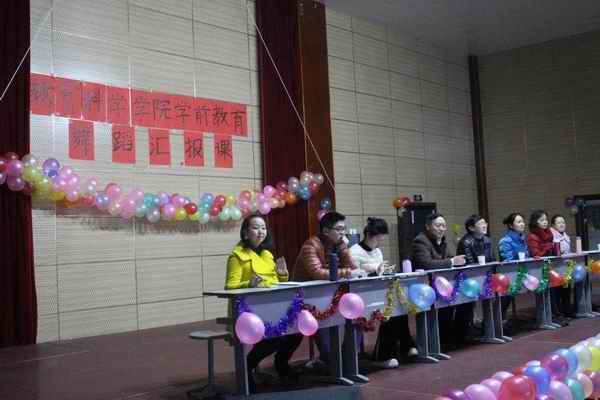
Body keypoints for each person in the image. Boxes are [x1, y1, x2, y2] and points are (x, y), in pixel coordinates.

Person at [225, 214, 303, 392]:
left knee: (296, 333)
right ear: (245, 233)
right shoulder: (237, 256)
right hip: (248, 311)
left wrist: (282, 274)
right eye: (255, 228)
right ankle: (247, 367)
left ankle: (281, 364)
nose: (261, 231)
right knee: (274, 336)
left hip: (272, 306)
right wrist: (248, 284)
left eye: (263, 228)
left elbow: (275, 283)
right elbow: (230, 286)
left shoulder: (267, 255)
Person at [293, 211, 360, 368]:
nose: (343, 233)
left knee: (357, 316)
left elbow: (352, 268)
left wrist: (343, 247)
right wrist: (347, 272)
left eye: (344, 229)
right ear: (326, 231)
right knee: (323, 321)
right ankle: (331, 361)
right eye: (339, 229)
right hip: (308, 297)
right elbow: (317, 273)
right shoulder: (311, 245)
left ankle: (348, 359)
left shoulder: (338, 245)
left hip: (330, 293)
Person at [350, 217, 417, 368]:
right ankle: (383, 355)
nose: (380, 242)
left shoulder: (377, 251)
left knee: (400, 309)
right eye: (378, 238)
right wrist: (375, 271)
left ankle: (405, 346)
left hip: (379, 292)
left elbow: (379, 272)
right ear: (369, 235)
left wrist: (384, 271)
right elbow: (356, 279)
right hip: (362, 296)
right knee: (390, 312)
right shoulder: (354, 252)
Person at [412, 213, 466, 350]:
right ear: (428, 226)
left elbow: (449, 257)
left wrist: (458, 260)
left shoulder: (443, 241)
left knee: (461, 303)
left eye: (444, 226)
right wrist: (452, 261)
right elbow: (426, 264)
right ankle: (435, 343)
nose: (442, 229)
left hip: (440, 284)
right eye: (438, 225)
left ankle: (451, 338)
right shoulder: (421, 241)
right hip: (423, 287)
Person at [454, 215, 496, 344]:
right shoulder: (465, 242)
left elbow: (492, 259)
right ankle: (460, 335)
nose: (485, 225)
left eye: (485, 223)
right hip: (468, 278)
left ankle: (489, 329)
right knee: (465, 306)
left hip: (485, 275)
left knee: (497, 297)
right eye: (481, 223)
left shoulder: (487, 240)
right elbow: (469, 264)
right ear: (471, 228)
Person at [497, 212, 529, 326]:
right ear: (511, 225)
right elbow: (507, 261)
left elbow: (527, 256)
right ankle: (499, 321)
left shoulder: (523, 239)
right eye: (519, 222)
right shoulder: (505, 241)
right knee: (505, 297)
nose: (522, 224)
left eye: (523, 221)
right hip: (509, 275)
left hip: (522, 272)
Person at [550, 214, 573, 320]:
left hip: (566, 268)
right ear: (553, 225)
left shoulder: (566, 236)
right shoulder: (552, 236)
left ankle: (567, 312)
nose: (562, 224)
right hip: (556, 268)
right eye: (558, 222)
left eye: (563, 222)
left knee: (566, 291)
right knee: (557, 293)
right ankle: (559, 314)